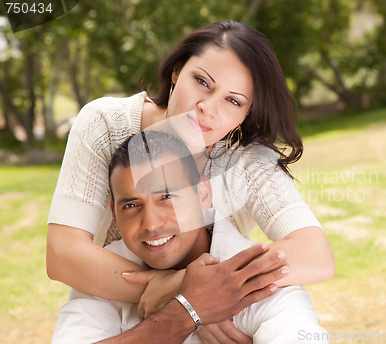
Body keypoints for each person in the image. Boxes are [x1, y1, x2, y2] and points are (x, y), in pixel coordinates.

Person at [47, 20, 334, 341]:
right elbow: (63, 255)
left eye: (233, 101)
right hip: (110, 300)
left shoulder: (246, 160)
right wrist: (184, 297)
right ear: (176, 72)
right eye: (202, 81)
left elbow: (314, 255)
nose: (207, 109)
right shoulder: (104, 124)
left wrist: (207, 294)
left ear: (246, 114)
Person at [52, 131, 328, 344]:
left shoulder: (265, 285)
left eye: (167, 197)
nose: (151, 223)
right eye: (132, 205)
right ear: (113, 213)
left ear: (203, 195)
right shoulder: (102, 276)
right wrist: (187, 311)